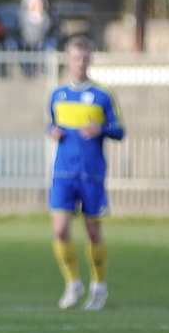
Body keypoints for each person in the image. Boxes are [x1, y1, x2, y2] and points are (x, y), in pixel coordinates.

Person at [48, 36, 124, 311]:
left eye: (84, 58)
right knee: (60, 229)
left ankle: (98, 287)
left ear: (89, 60)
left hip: (91, 174)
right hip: (62, 174)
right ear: (68, 60)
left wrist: (101, 129)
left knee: (93, 232)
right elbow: (52, 125)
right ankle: (73, 283)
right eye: (75, 58)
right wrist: (52, 132)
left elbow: (120, 130)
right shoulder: (58, 95)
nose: (80, 63)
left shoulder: (103, 95)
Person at [18, 0, 59, 77]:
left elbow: (54, 32)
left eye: (40, 4)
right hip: (27, 43)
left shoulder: (48, 19)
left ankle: (43, 69)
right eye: (36, 4)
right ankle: (27, 70)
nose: (39, 6)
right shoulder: (23, 18)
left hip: (42, 43)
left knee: (49, 46)